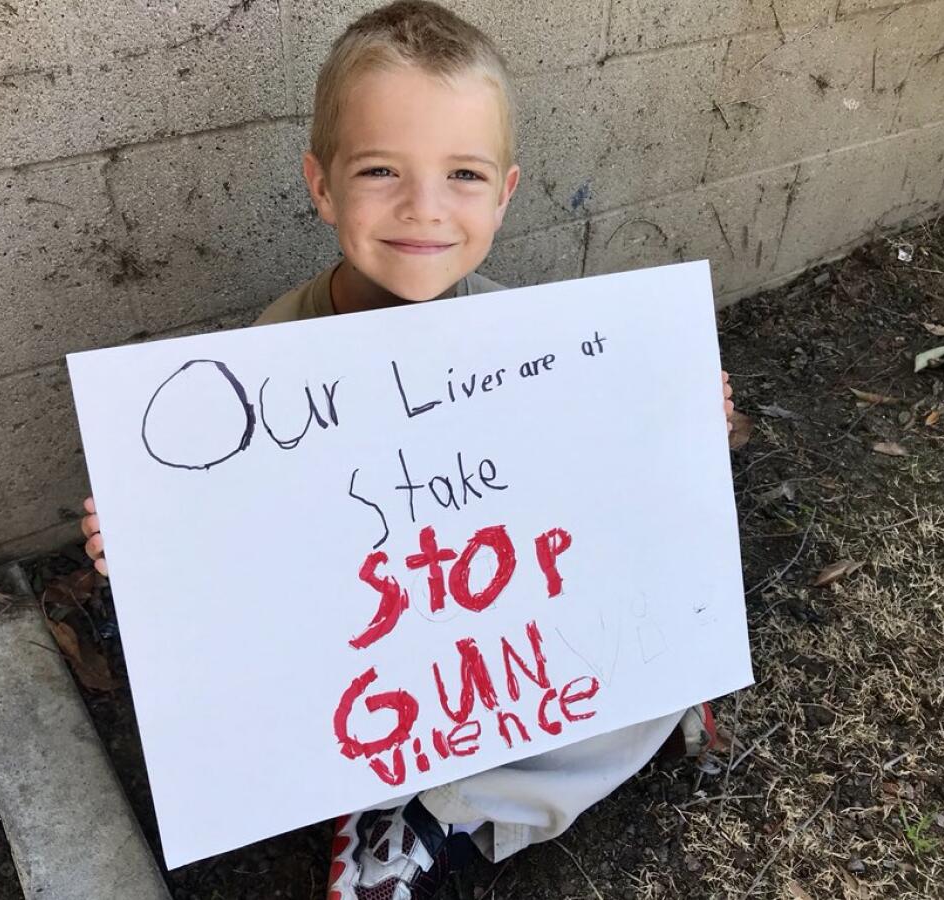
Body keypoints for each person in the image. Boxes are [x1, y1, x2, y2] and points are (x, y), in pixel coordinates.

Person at [80, 3, 736, 898]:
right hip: (374, 650)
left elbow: (616, 496)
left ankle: (449, 812)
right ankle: (403, 795)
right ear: (321, 186)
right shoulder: (266, 363)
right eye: (381, 169)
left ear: (505, 194)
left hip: (505, 644)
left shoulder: (535, 342)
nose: (424, 209)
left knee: (652, 666)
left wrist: (693, 430)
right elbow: (247, 565)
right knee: (252, 713)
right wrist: (156, 548)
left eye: (463, 174)